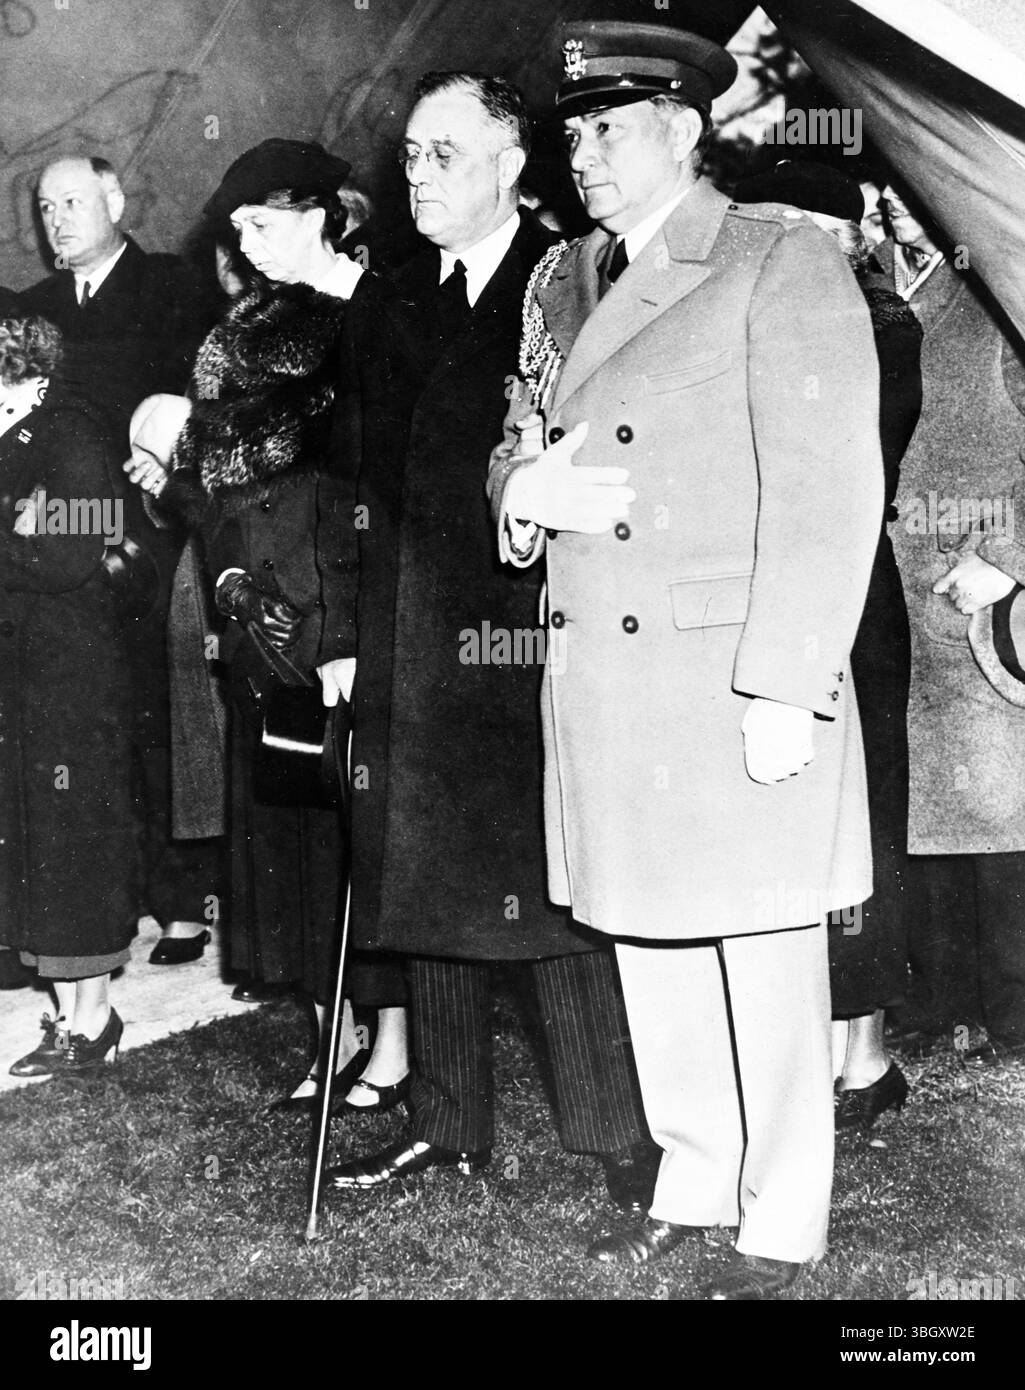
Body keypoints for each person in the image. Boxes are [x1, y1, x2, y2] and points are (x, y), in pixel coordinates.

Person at [488, 22, 884, 1298]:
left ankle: (780, 1213)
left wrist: (787, 683)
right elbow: (517, 437)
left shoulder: (774, 257)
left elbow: (830, 490)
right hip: (610, 680)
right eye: (570, 132)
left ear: (682, 127)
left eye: (606, 128)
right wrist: (523, 489)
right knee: (649, 937)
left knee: (763, 947)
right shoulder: (564, 281)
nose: (581, 154)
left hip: (728, 673)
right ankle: (693, 1174)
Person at [317, 71, 655, 1202]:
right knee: (419, 873)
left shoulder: (569, 281)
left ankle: (617, 1135)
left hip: (523, 634)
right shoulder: (387, 299)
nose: (416, 176)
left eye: (443, 155)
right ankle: (449, 1121)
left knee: (544, 882)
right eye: (409, 156)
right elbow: (349, 480)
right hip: (405, 636)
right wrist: (343, 629)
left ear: (512, 166)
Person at [130, 140, 408, 1111]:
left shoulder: (383, 314)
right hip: (262, 616)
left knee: (363, 828)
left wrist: (344, 635)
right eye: (237, 230)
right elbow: (220, 497)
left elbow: (375, 495)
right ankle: (333, 1029)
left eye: (263, 223)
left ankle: (394, 1044)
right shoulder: (240, 333)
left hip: (351, 612)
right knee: (291, 828)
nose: (245, 247)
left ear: (327, 210)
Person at [733, 161, 923, 1127]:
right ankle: (807, 1041)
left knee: (860, 817)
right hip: (774, 587)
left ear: (837, 235)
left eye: (785, 224)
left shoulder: (880, 327)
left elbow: (839, 467)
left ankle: (867, 1054)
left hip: (846, 592)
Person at [21, 155, 221, 968]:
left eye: (73, 201)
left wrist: (172, 461)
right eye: (44, 207)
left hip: (155, 535)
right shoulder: (33, 311)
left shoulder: (175, 290)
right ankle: (117, 894)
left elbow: (214, 401)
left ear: (114, 199)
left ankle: (181, 901)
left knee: (161, 718)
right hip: (69, 543)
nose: (57, 219)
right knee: (88, 726)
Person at [881, 180, 1025, 1066]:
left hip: (974, 594)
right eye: (882, 184)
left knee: (997, 809)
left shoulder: (998, 294)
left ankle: (1014, 1011)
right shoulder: (877, 291)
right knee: (930, 806)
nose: (896, 198)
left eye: (911, 178)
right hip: (901, 595)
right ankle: (943, 997)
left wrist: (1006, 555)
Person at [1, 293, 135, 1075]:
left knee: (71, 839)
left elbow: (70, 553)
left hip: (71, 674)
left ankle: (95, 1018)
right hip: (25, 671)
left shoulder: (69, 427)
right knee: (35, 840)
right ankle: (66, 1013)